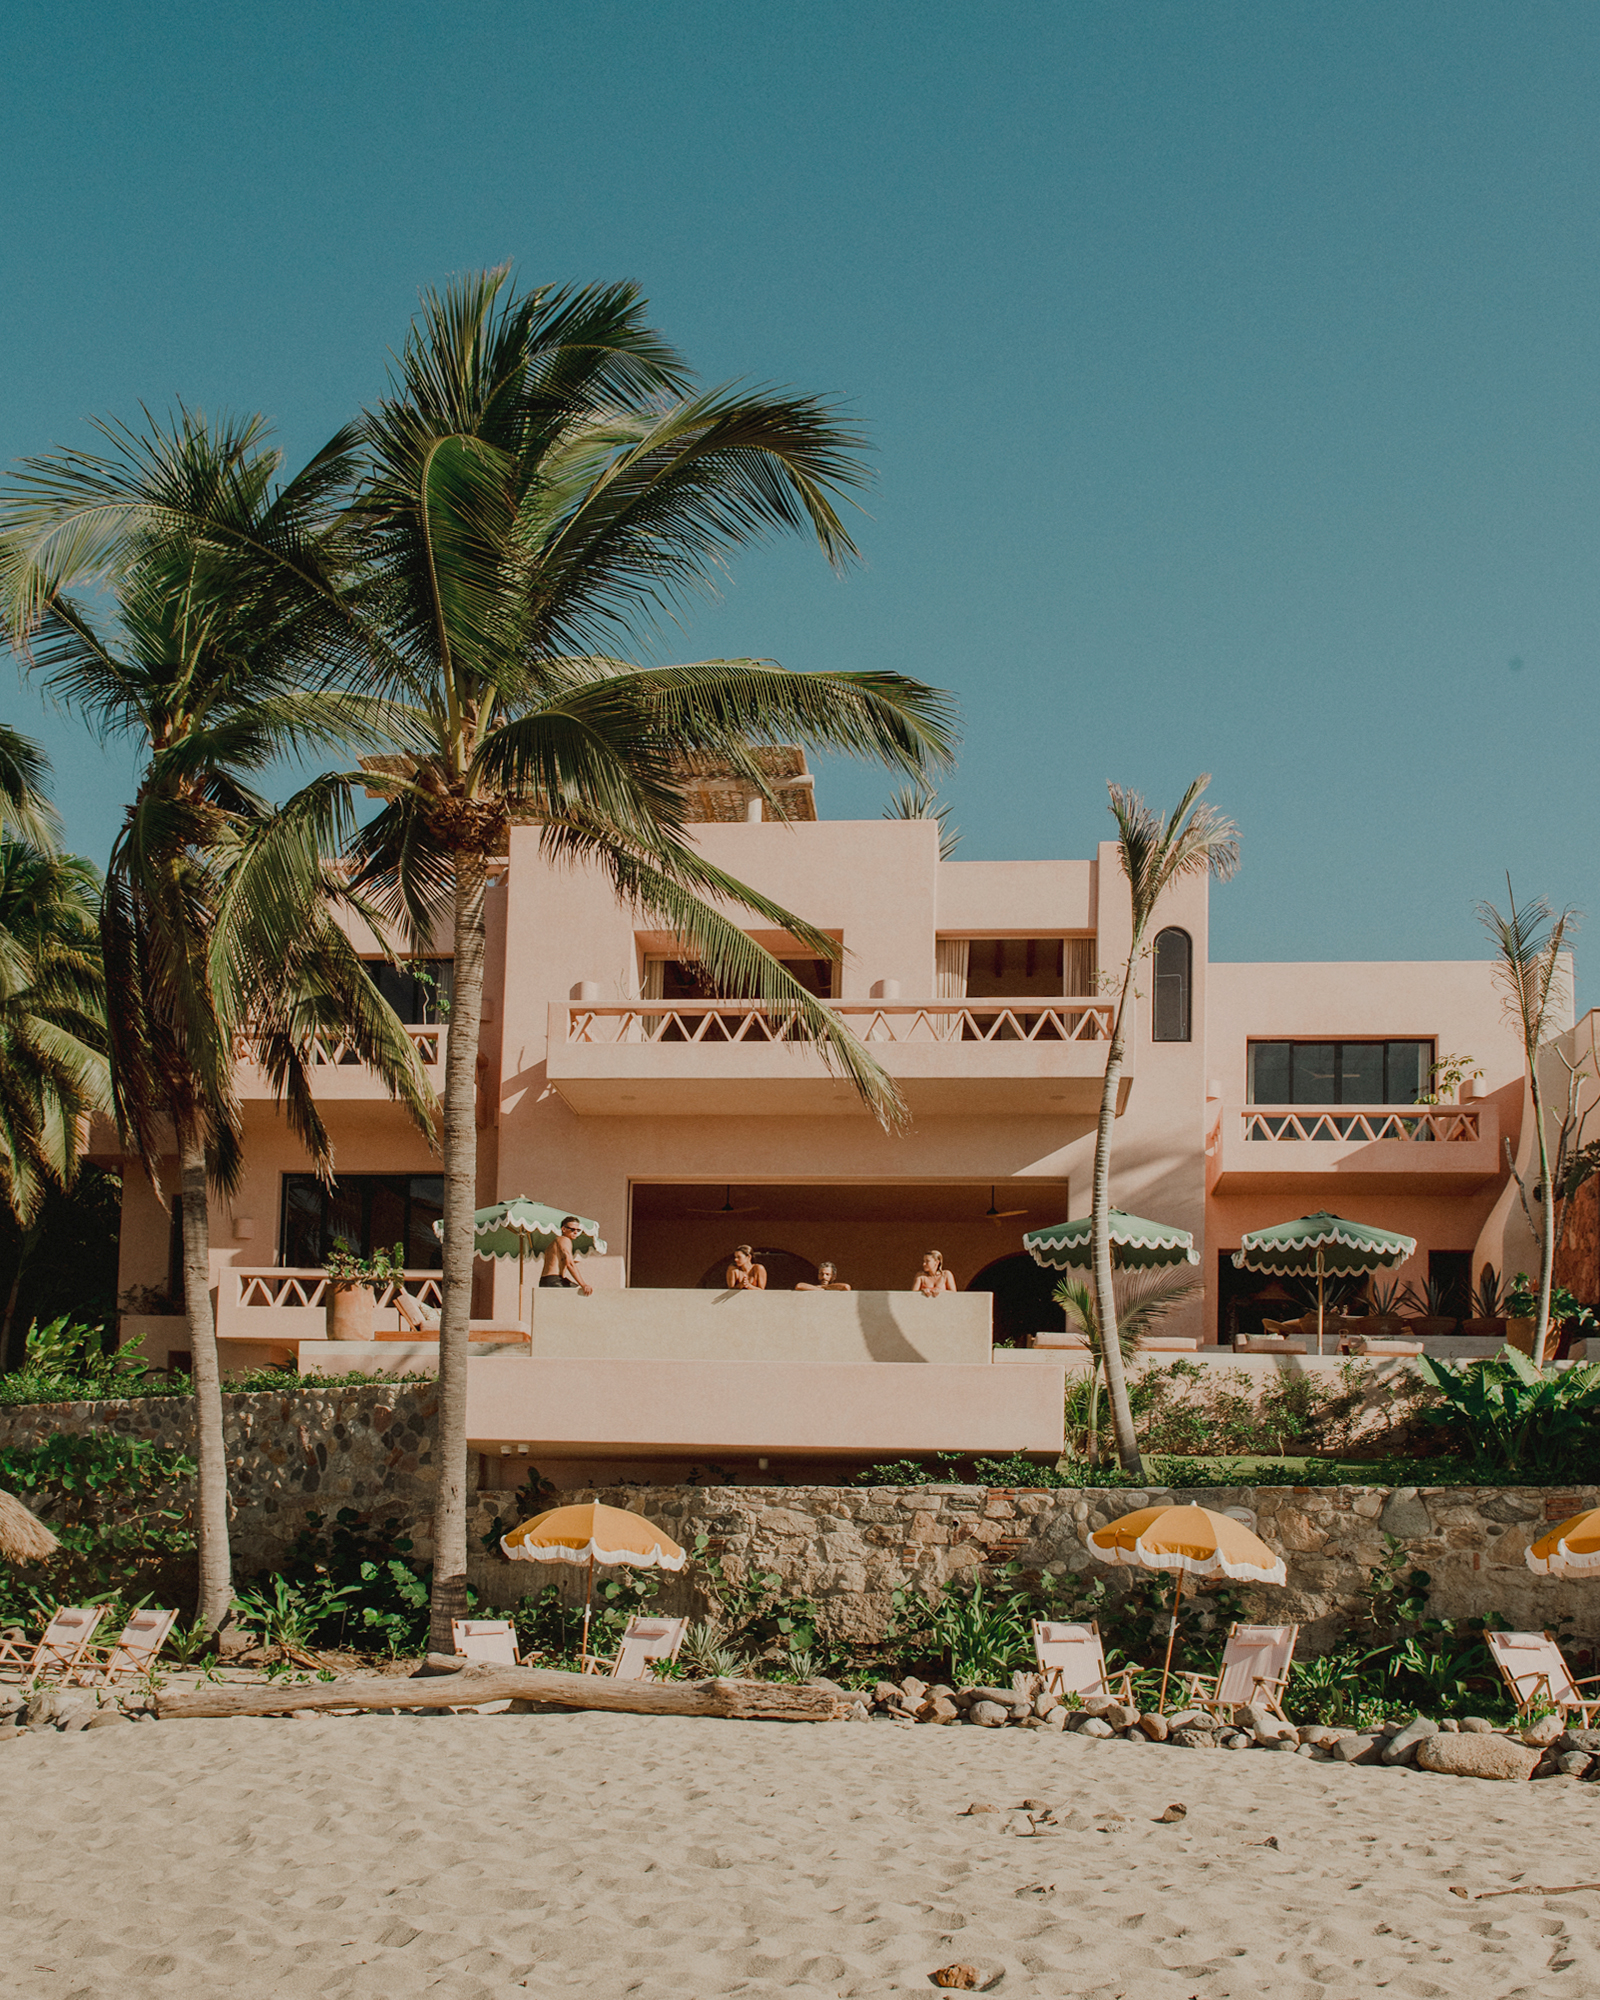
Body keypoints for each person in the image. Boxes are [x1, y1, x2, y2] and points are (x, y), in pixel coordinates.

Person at [539, 1217, 593, 1296]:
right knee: (583, 1296)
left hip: (546, 1280)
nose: (575, 1232)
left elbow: (555, 1261)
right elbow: (569, 1264)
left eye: (578, 1230)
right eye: (572, 1229)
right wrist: (583, 1284)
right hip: (555, 1281)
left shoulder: (554, 1243)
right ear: (563, 1229)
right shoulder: (564, 1239)